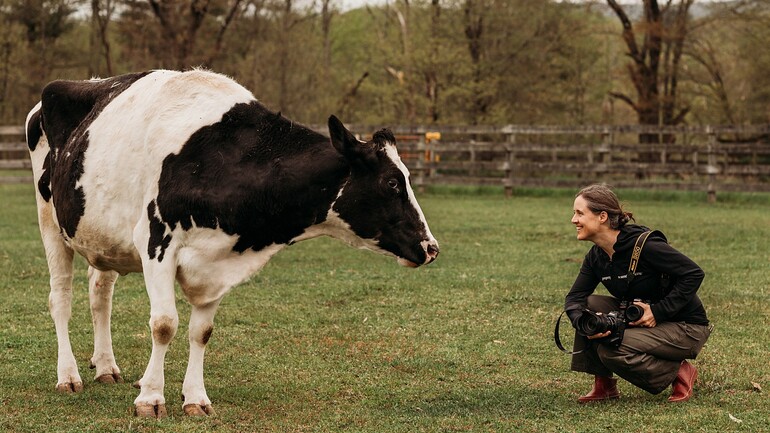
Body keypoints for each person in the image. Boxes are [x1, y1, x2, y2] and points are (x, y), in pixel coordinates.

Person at [564, 184, 711, 403]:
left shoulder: (645, 245)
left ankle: (680, 372)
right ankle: (604, 385)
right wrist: (584, 323)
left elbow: (693, 273)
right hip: (641, 322)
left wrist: (658, 311)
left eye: (579, 213)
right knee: (587, 306)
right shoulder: (596, 256)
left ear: (602, 216)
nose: (573, 220)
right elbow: (575, 298)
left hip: (685, 327)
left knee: (611, 350)